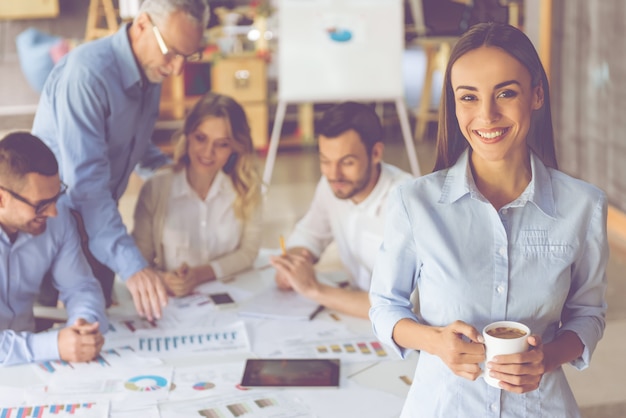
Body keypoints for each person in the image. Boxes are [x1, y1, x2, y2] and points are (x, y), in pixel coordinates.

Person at [369, 22, 608, 417]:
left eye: (506, 93)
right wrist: (434, 341)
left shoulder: (583, 206)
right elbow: (385, 306)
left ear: (536, 96)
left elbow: (588, 315)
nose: (486, 115)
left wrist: (546, 359)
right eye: (468, 97)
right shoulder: (415, 202)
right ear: (454, 104)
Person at [31, 0, 211, 321]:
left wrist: (174, 171)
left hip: (100, 221)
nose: (177, 69)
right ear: (141, 25)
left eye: (188, 56)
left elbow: (131, 145)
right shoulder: (88, 76)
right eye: (171, 52)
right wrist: (133, 266)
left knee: (107, 324)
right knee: (58, 334)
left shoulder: (151, 69)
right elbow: (86, 189)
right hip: (55, 224)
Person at [269, 102, 413, 319]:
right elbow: (310, 234)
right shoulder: (334, 185)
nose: (334, 174)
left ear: (375, 153)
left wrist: (313, 288)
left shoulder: (407, 204)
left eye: (347, 162)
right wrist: (295, 262)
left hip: (400, 329)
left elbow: (400, 306)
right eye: (325, 161)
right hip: (354, 312)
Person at [132, 92, 262, 297]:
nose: (208, 152)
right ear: (188, 135)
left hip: (234, 298)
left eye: (222, 144)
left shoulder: (245, 190)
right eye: (201, 138)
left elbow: (248, 252)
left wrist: (202, 274)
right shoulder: (156, 189)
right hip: (175, 306)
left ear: (236, 147)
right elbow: (139, 263)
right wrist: (164, 280)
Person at [0, 132, 107, 367]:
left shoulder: (56, 222)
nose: (53, 212)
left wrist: (84, 325)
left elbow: (80, 287)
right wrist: (54, 346)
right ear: (2, 199)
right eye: (40, 205)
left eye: (55, 197)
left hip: (31, 365)